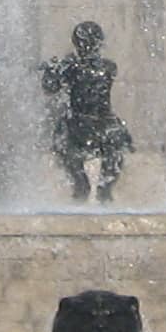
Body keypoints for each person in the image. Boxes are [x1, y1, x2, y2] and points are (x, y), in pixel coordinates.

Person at [41, 19, 133, 202]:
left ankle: (92, 188)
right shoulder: (103, 66)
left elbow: (50, 87)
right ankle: (95, 189)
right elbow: (51, 87)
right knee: (108, 152)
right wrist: (53, 71)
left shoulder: (78, 66)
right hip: (92, 123)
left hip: (90, 123)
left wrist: (52, 71)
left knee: (69, 143)